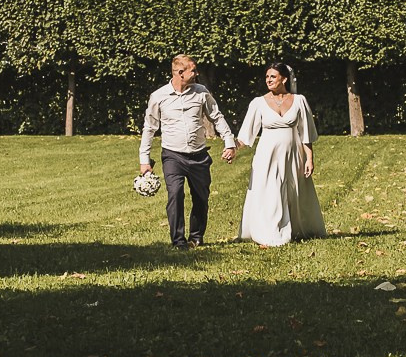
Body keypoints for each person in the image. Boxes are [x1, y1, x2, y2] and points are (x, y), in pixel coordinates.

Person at [139, 54, 236, 248]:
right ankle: (178, 240)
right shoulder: (159, 96)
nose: (197, 73)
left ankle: (197, 236)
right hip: (172, 155)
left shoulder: (201, 92)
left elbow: (216, 116)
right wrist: (144, 159)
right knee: (175, 194)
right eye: (193, 70)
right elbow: (149, 128)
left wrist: (229, 141)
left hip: (199, 155)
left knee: (201, 197)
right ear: (180, 73)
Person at [236, 61, 326, 247]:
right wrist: (232, 148)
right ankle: (270, 232)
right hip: (267, 155)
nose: (268, 80)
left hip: (293, 154)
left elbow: (306, 132)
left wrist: (309, 158)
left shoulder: (299, 100)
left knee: (294, 190)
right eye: (267, 77)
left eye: (273, 77)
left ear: (284, 79)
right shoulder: (258, 103)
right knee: (270, 190)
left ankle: (296, 227)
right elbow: (246, 134)